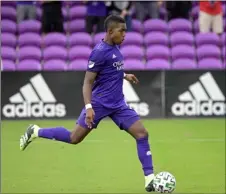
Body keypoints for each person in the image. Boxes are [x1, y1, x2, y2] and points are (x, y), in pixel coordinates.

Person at [20, 15, 155, 192]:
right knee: (74, 138)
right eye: (122, 31)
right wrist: (89, 107)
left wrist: (124, 75)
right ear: (110, 31)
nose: (125, 35)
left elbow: (109, 70)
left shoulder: (115, 48)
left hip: (118, 104)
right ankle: (36, 131)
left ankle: (150, 179)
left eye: (125, 31)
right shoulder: (99, 52)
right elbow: (87, 82)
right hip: (98, 104)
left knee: (142, 134)